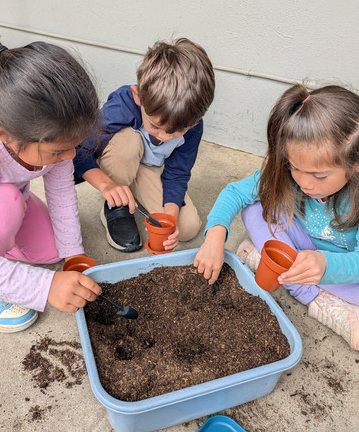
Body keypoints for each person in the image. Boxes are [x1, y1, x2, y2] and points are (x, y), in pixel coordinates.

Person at [0, 35, 102, 333]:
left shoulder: (52, 132)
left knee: (54, 251)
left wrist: (73, 253)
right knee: (4, 202)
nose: (70, 157)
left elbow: (61, 192)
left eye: (73, 146)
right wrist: (45, 286)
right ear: (4, 135)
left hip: (9, 203)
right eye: (58, 152)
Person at [194, 83, 359, 351]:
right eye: (294, 167)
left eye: (319, 176)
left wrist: (326, 265)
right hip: (302, 245)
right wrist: (214, 236)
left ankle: (270, 260)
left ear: (355, 164)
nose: (304, 183)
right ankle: (314, 297)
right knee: (255, 207)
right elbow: (235, 193)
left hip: (343, 264)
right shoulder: (288, 174)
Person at [73, 38, 215, 252]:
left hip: (150, 168)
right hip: (120, 157)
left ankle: (131, 187)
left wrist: (170, 217)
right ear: (137, 96)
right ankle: (115, 206)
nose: (165, 137)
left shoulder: (193, 125)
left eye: (177, 132)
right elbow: (80, 151)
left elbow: (178, 173)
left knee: (187, 228)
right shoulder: (122, 105)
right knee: (128, 144)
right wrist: (106, 185)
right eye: (155, 126)